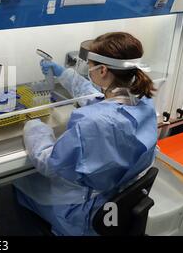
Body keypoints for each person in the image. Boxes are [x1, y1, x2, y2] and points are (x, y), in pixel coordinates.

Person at [14, 32, 158, 236]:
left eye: (89, 67)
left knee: (21, 185)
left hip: (84, 211)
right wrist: (64, 74)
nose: (88, 70)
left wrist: (34, 127)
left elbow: (48, 162)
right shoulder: (143, 101)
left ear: (103, 70)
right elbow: (102, 100)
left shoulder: (91, 122)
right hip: (117, 200)